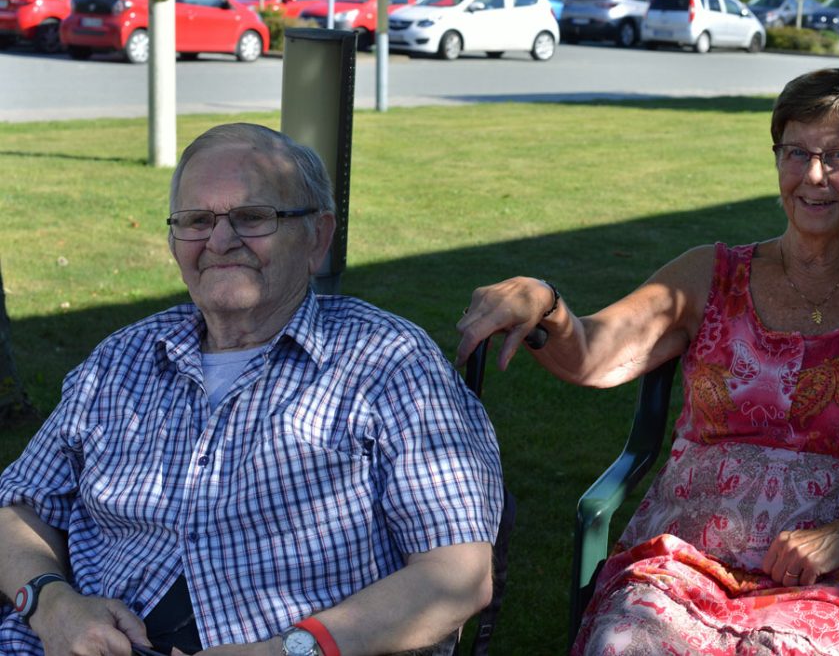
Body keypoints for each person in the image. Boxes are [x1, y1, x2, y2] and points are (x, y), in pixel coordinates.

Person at [456, 68, 839, 655]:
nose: (814, 176)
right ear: (777, 158)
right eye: (797, 152)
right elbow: (592, 355)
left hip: (836, 578)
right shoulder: (710, 273)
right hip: (687, 565)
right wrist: (548, 305)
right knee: (624, 642)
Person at [0, 123, 504, 656]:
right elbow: (18, 508)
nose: (220, 241)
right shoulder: (121, 360)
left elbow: (456, 575)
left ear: (317, 236)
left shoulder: (387, 362)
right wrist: (52, 606)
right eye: (196, 221)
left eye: (252, 217)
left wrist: (290, 651)